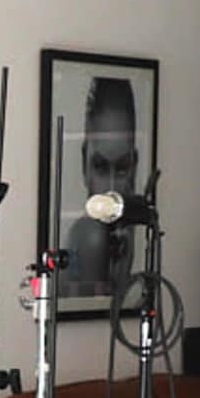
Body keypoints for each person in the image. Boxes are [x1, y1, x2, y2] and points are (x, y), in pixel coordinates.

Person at [63, 74, 139, 300]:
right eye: (101, 167)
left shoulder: (128, 237)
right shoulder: (89, 236)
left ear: (135, 165)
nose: (112, 188)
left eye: (123, 168)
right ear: (84, 163)